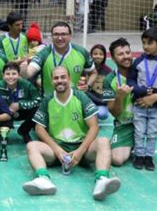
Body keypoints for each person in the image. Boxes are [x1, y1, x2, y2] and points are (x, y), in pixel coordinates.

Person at [22, 66, 121, 201]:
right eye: (56, 78)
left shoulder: (81, 96)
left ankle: (102, 180)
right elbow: (39, 128)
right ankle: (43, 180)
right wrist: (57, 150)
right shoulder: (48, 100)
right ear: (51, 81)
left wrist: (80, 151)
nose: (60, 80)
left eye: (63, 77)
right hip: (58, 150)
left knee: (103, 141)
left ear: (69, 79)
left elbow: (94, 127)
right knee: (32, 146)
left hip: (82, 148)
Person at [103, 37, 157, 179]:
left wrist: (154, 97)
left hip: (152, 115)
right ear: (113, 57)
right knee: (117, 159)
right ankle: (136, 145)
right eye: (120, 54)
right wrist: (120, 97)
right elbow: (115, 113)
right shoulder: (110, 80)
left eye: (127, 52)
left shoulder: (146, 67)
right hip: (126, 125)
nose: (125, 57)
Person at [127, 27, 157, 171]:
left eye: (149, 43)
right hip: (139, 105)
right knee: (139, 131)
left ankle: (149, 157)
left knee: (152, 133)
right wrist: (141, 91)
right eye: (143, 43)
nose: (145, 46)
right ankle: (139, 156)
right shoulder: (138, 62)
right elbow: (131, 81)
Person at [22, 21, 97, 95]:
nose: (60, 38)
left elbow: (93, 73)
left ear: (70, 36)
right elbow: (28, 73)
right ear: (51, 36)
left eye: (63, 34)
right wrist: (24, 70)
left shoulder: (81, 52)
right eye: (56, 34)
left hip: (74, 100)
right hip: (50, 102)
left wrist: (88, 85)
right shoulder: (43, 54)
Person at [0, 62, 41, 143]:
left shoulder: (27, 85)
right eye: (7, 74)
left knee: (38, 111)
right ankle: (2, 131)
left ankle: (24, 131)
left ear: (19, 75)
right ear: (3, 75)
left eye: (14, 74)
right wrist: (6, 110)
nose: (11, 77)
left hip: (22, 111)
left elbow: (38, 100)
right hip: (5, 113)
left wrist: (20, 105)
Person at [85, 44, 112, 121]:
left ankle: (95, 115)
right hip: (87, 101)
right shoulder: (86, 70)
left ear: (104, 56)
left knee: (102, 114)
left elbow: (109, 92)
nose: (98, 56)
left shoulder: (108, 71)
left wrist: (104, 102)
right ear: (91, 55)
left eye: (101, 54)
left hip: (101, 102)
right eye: (95, 54)